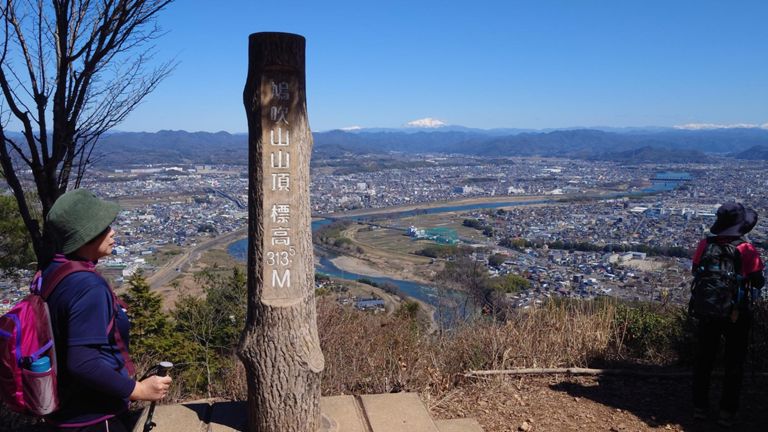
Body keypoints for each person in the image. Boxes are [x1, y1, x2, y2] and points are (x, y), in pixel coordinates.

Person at [43, 189, 172, 431]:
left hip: (65, 410)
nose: (112, 232)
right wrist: (139, 390)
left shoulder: (54, 271)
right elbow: (83, 362)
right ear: (86, 235)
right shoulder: (87, 287)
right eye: (104, 227)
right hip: (93, 416)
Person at [691, 202, 764, 427]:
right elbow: (758, 280)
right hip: (736, 312)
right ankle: (727, 411)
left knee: (704, 359)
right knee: (734, 362)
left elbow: (696, 271)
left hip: (708, 310)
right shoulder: (746, 249)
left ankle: (699, 407)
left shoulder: (705, 244)